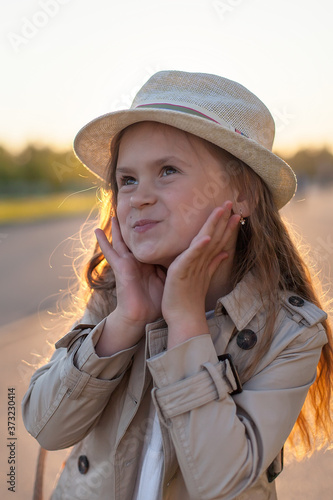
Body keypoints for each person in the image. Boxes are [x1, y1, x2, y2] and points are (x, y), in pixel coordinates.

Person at [22, 70, 333, 500]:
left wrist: (186, 320)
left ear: (242, 193)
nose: (139, 197)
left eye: (167, 170)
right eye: (127, 180)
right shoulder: (115, 296)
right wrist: (127, 320)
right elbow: (46, 426)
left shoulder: (290, 332)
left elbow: (220, 483)